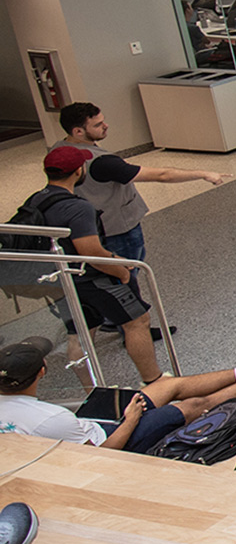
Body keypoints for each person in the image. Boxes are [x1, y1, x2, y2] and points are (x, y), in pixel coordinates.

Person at [0, 331, 236, 451]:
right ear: (42, 371)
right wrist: (131, 420)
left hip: (90, 427)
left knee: (169, 386)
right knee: (192, 405)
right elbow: (98, 456)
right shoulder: (50, 418)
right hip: (113, 439)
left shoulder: (40, 415)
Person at [17, 147, 165, 382]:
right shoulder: (78, 207)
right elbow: (91, 252)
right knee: (137, 322)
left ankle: (93, 391)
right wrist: (121, 270)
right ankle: (154, 380)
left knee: (79, 333)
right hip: (92, 280)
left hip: (61, 281)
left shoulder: (36, 200)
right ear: (78, 171)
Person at [58, 102, 229, 265]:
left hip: (91, 226)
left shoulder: (58, 150)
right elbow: (162, 175)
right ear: (78, 131)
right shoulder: (102, 162)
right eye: (97, 125)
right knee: (127, 272)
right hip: (117, 229)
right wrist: (203, 174)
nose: (106, 126)